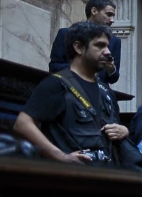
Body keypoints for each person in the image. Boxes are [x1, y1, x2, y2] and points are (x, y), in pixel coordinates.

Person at [13, 20, 135, 166]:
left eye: (108, 46)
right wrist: (61, 157)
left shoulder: (106, 90)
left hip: (105, 175)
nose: (108, 52)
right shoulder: (57, 83)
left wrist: (123, 131)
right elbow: (22, 124)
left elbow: (114, 127)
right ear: (79, 47)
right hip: (70, 177)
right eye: (100, 45)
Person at [49, 0, 121, 88]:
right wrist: (83, 70)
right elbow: (54, 67)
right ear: (94, 11)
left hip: (98, 93)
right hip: (67, 87)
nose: (112, 20)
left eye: (113, 16)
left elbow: (114, 78)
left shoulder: (115, 41)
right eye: (109, 14)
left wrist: (112, 69)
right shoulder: (65, 34)